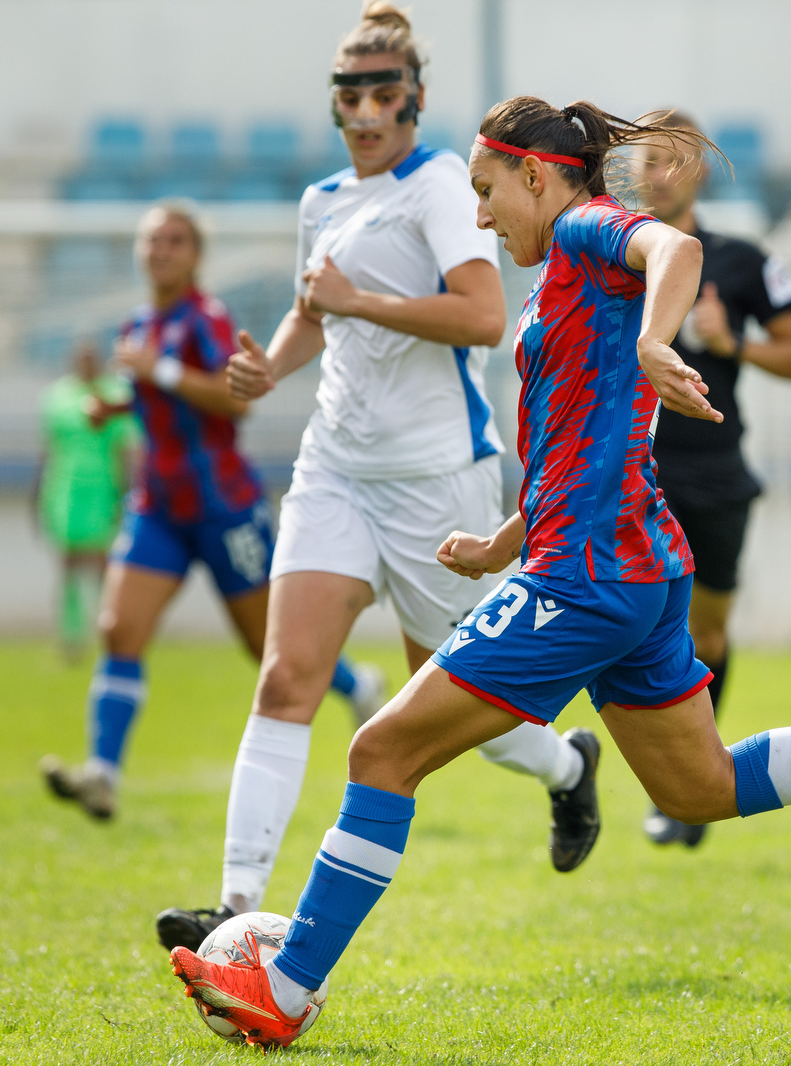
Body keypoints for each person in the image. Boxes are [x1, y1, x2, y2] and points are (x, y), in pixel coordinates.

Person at [164, 97, 791, 1048]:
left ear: (537, 176)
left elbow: (678, 252)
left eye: (489, 193)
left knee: (381, 752)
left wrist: (662, 341)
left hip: (586, 576)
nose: (485, 218)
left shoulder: (582, 229)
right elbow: (578, 447)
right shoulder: (558, 284)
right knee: (699, 789)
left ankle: (285, 989)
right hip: (631, 563)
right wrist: (502, 544)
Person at [152, 4, 600, 955]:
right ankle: (233, 910)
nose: (364, 108)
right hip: (336, 469)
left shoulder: (444, 187)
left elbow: (482, 315)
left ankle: (568, 769)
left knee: (451, 704)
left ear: (415, 100)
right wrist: (270, 365)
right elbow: (319, 311)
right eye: (347, 91)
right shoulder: (321, 200)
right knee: (285, 677)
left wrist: (361, 301)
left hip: (438, 481)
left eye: (382, 91)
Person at [39, 202, 383, 821]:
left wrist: (161, 371)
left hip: (223, 507)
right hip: (161, 508)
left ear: (196, 255)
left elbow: (234, 400)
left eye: (175, 241)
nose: (161, 250)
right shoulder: (139, 324)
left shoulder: (207, 320)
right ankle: (103, 773)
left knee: (266, 647)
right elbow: (155, 397)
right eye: (152, 241)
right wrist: (117, 407)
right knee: (119, 629)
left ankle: (358, 685)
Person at [636, 111, 791, 849]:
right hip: (636, 473)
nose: (656, 173)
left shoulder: (742, 260)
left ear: (701, 170)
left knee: (704, 635)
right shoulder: (618, 255)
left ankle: (693, 790)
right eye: (646, 160)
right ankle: (664, 787)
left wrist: (727, 343)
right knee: (642, 632)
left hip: (714, 475)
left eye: (671, 160)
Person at [34, 340, 140, 663]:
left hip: (102, 489)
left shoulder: (115, 396)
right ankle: (70, 639)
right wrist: (38, 494)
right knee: (67, 565)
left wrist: (124, 495)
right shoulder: (57, 398)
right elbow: (49, 449)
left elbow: (125, 449)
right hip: (65, 489)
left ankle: (108, 634)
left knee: (104, 567)